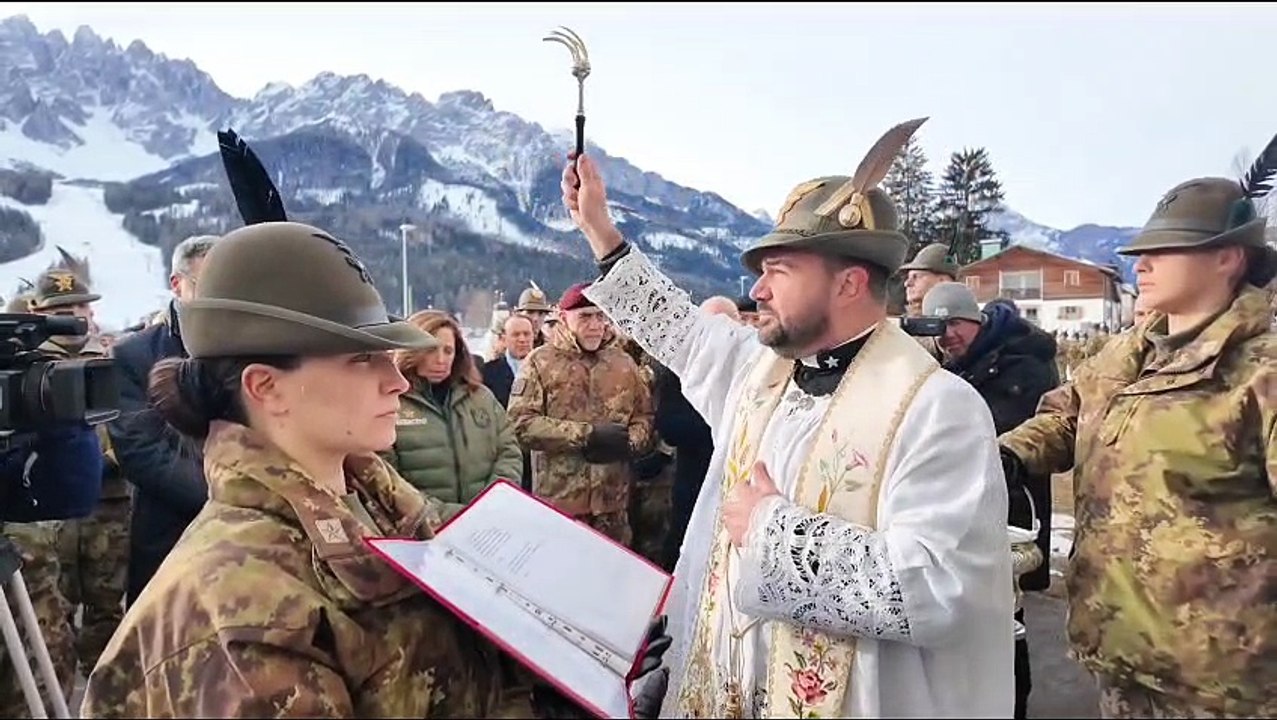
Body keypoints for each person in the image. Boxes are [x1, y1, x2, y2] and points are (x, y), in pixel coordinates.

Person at [562, 116, 1013, 718]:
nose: (760, 292)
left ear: (849, 281)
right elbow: (680, 331)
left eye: (779, 271)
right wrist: (599, 229)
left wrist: (773, 532)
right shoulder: (760, 373)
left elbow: (938, 587)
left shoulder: (937, 410)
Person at [79, 221, 550, 718]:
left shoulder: (376, 502)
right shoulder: (239, 608)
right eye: (362, 359)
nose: (395, 380)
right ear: (266, 388)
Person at [999, 172, 1277, 719]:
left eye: (1165, 250)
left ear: (1228, 258)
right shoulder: (1132, 351)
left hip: (1225, 683)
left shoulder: (1261, 370)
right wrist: (1005, 455)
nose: (1140, 263)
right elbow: (1069, 415)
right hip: (1121, 655)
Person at [920, 281, 1058, 719]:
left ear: (975, 319)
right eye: (938, 328)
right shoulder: (951, 368)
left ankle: (1013, 706)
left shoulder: (1024, 363)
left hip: (1012, 518)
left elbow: (1012, 434)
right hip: (963, 516)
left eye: (955, 324)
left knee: (1006, 624)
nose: (947, 336)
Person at [107, 234, 221, 607]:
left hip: (249, 536)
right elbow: (143, 451)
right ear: (178, 285)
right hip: (171, 531)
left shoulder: (251, 346)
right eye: (210, 284)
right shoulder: (135, 353)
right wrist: (225, 497)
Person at [382, 309, 523, 520]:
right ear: (411, 350)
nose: (441, 360)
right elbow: (387, 479)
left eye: (448, 351)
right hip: (423, 529)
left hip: (486, 521)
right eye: (431, 350)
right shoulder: (390, 403)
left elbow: (509, 451)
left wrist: (492, 503)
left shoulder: (481, 397)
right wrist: (449, 516)